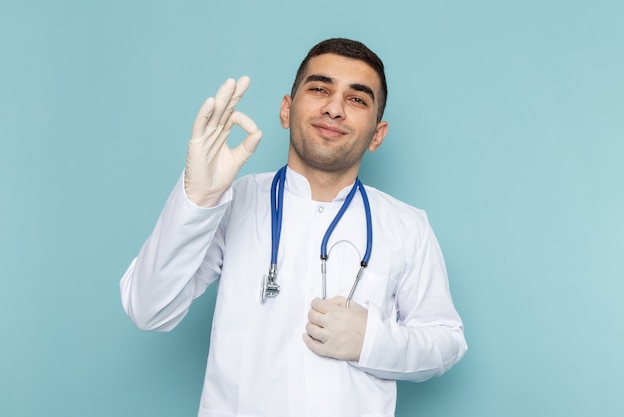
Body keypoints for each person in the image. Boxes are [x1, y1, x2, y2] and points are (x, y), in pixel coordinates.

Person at [120, 38, 467, 417]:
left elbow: (446, 341)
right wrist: (196, 199)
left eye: (357, 99)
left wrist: (372, 340)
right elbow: (147, 309)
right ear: (286, 110)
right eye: (319, 89)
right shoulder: (233, 202)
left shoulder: (406, 226)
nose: (334, 108)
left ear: (377, 135)